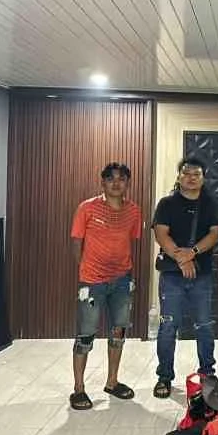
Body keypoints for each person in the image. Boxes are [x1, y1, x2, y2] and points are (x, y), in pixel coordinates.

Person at [68, 162, 143, 410]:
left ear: (128, 183)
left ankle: (112, 382)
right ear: (102, 182)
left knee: (119, 331)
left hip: (122, 281)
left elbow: (129, 241)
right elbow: (76, 242)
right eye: (111, 179)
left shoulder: (134, 211)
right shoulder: (87, 208)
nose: (116, 183)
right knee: (86, 333)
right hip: (92, 282)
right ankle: (79, 389)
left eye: (121, 179)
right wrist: (86, 272)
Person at [152, 157, 218, 398]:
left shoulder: (211, 204)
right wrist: (181, 259)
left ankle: (207, 373)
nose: (191, 178)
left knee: (204, 326)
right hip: (172, 276)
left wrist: (192, 253)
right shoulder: (167, 203)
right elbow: (161, 234)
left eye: (196, 174)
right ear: (179, 176)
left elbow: (215, 234)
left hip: (201, 275)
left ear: (203, 178)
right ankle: (164, 376)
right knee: (168, 326)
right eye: (186, 173)